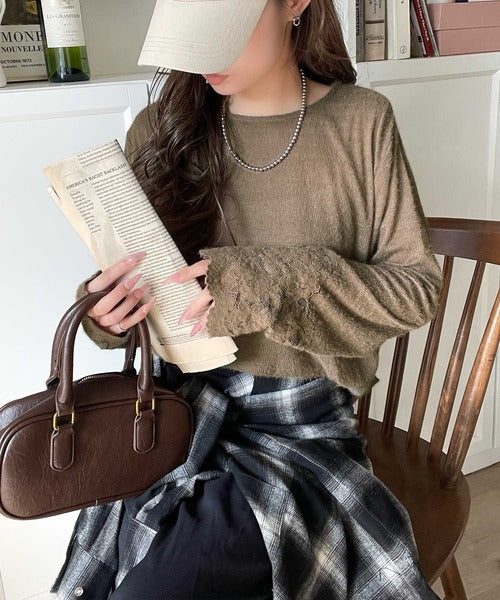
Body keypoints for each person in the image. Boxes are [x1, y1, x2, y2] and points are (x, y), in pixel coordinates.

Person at [50, 1, 444, 599]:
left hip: (301, 433)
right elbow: (136, 282)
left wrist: (262, 283)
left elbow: (415, 292)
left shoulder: (360, 122)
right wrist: (106, 313)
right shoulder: (161, 129)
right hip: (170, 418)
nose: (204, 51)